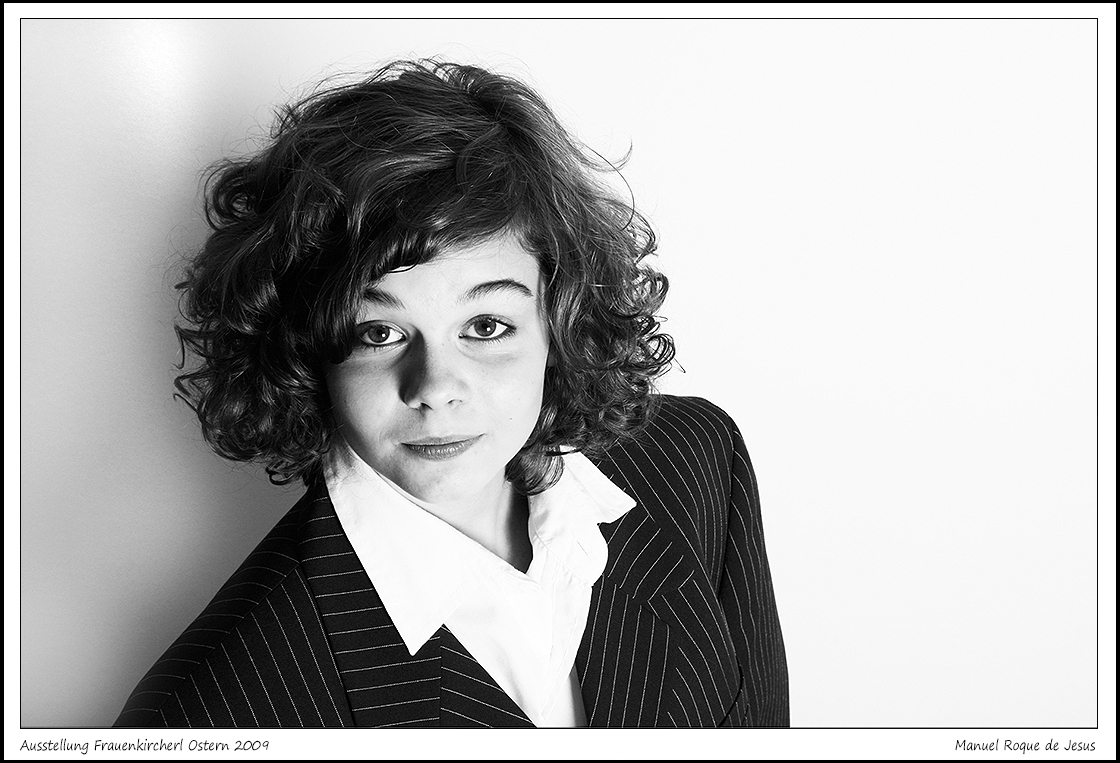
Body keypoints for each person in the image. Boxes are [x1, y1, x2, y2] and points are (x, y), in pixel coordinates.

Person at [115, 59, 788, 728]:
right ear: (305, 350)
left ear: (558, 319)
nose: (435, 388)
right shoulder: (207, 711)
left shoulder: (693, 459)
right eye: (378, 332)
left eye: (486, 326)